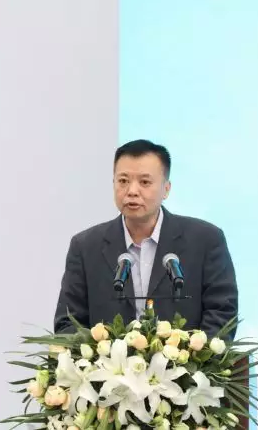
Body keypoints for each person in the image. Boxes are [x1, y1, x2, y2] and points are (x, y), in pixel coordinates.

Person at [53, 139, 239, 341]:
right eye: (123, 181)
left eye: (144, 182)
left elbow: (222, 313)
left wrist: (194, 355)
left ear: (166, 189)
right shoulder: (85, 247)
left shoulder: (205, 240)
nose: (132, 191)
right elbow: (68, 323)